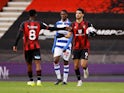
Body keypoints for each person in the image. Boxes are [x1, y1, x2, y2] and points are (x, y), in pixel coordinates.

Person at [13, 9, 67, 86]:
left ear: (29, 15)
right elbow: (51, 28)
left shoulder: (23, 24)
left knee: (29, 64)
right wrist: (63, 28)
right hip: (36, 47)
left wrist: (15, 45)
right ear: (35, 15)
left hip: (27, 48)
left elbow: (19, 35)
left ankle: (31, 81)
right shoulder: (39, 23)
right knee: (38, 63)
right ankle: (39, 81)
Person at [65, 8, 96, 86]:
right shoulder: (72, 24)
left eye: (79, 13)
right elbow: (69, 35)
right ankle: (79, 81)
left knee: (83, 64)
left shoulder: (87, 23)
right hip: (76, 47)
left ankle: (85, 69)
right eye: (76, 13)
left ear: (82, 14)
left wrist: (92, 33)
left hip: (85, 47)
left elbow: (93, 31)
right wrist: (64, 35)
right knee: (75, 66)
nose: (77, 14)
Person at [52, 10, 72, 85]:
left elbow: (71, 36)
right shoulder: (58, 23)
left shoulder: (70, 24)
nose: (62, 15)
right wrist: (53, 46)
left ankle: (65, 80)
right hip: (58, 44)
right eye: (61, 14)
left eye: (64, 14)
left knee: (65, 61)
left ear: (67, 15)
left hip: (66, 45)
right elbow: (56, 36)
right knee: (55, 60)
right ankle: (59, 78)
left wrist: (66, 46)